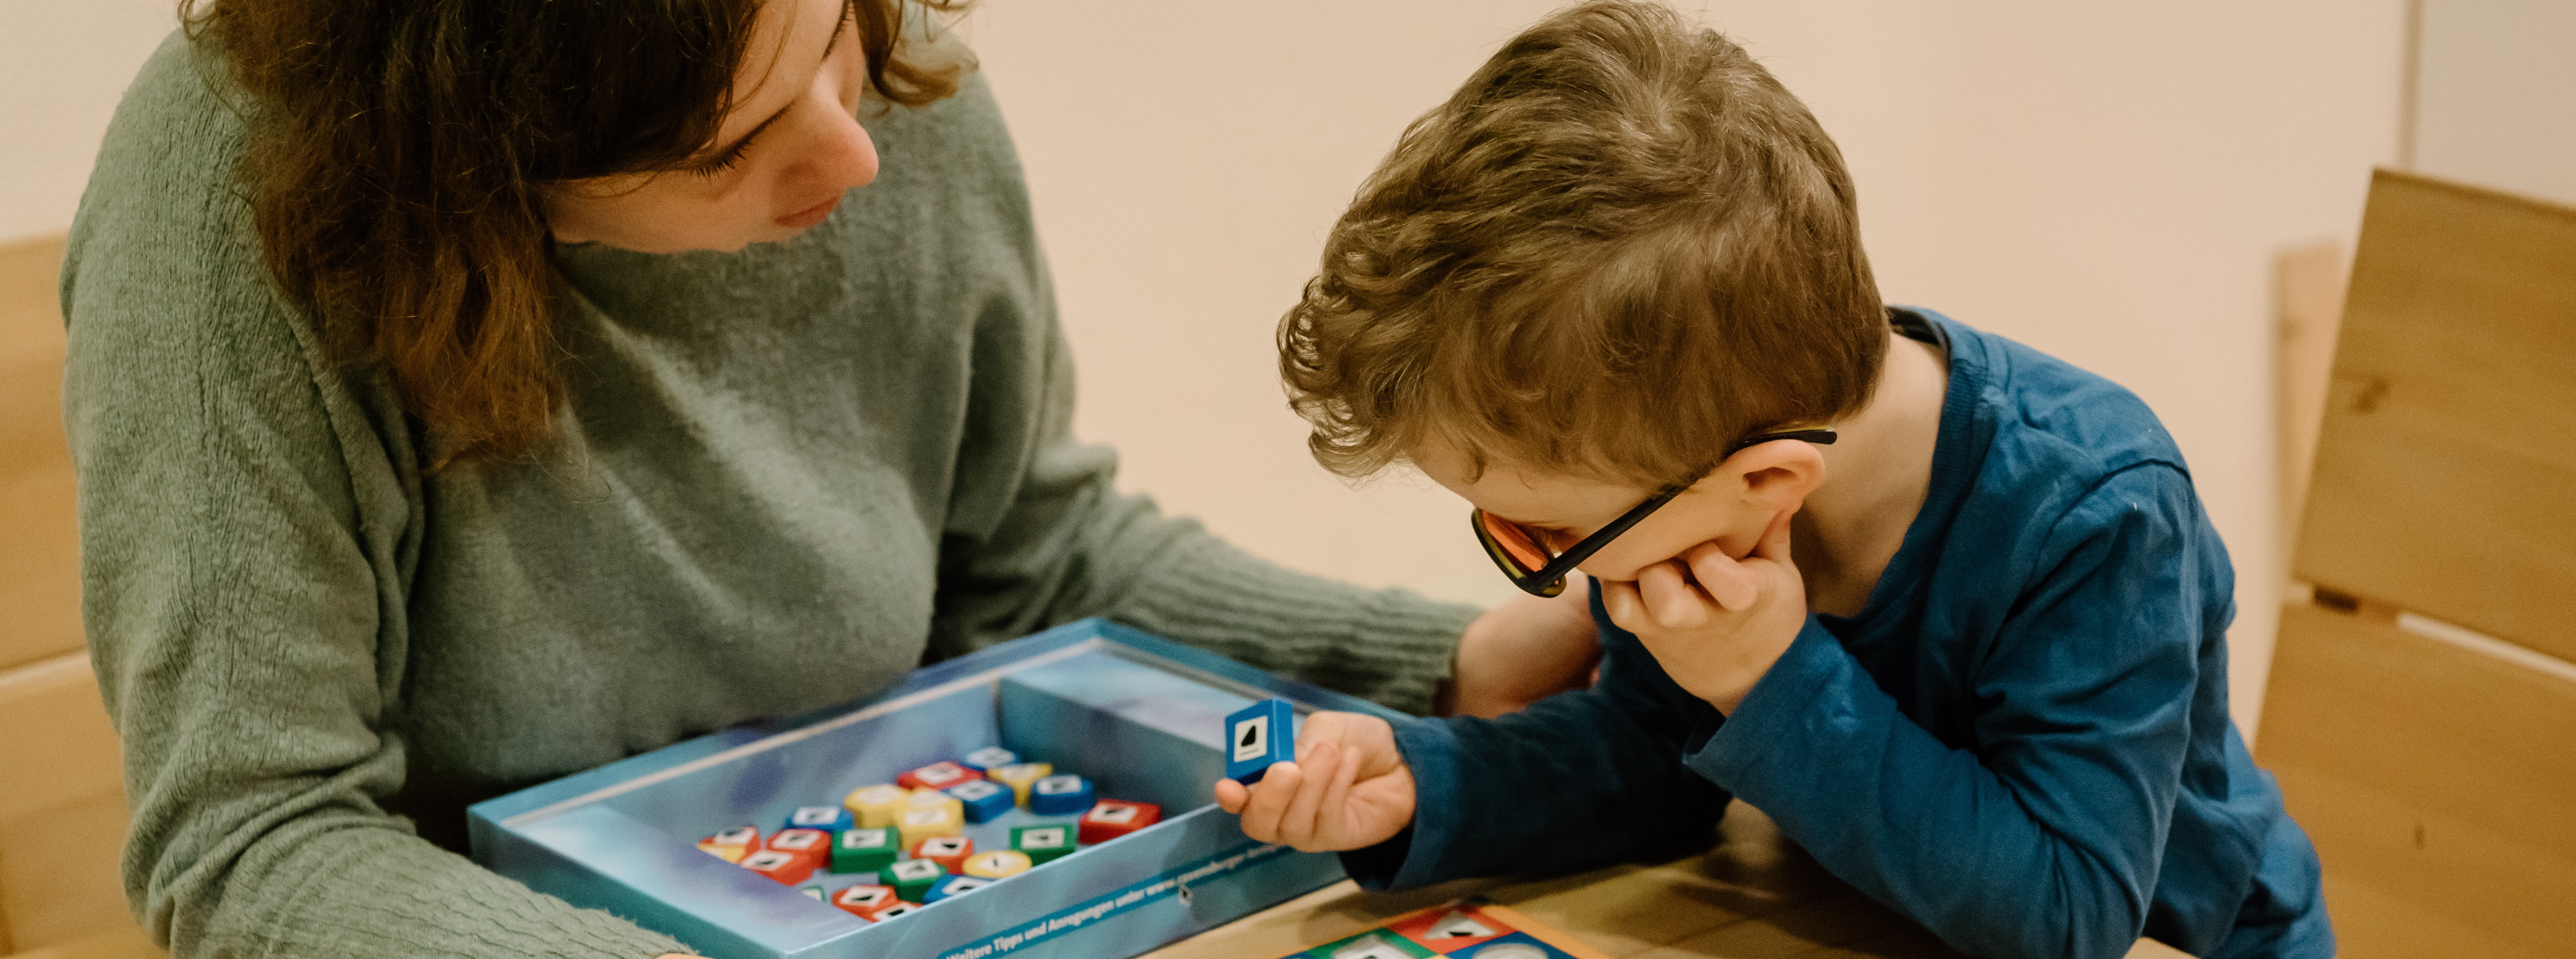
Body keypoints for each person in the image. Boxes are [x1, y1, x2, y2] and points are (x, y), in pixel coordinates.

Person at [59, 0, 1602, 956]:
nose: (853, 160)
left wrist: (1455, 659)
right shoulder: (239, 209)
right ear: (487, 181)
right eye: (732, 147)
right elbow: (255, 839)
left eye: (831, 45)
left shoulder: (894, 71)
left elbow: (1032, 553)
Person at [1213, 3, 2332, 958]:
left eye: (1546, 537)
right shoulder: (1694, 480)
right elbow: (1658, 758)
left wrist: (1773, 676)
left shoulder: (2096, 511)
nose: (1537, 562)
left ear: (1771, 480)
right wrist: (1427, 779)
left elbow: (2070, 915)